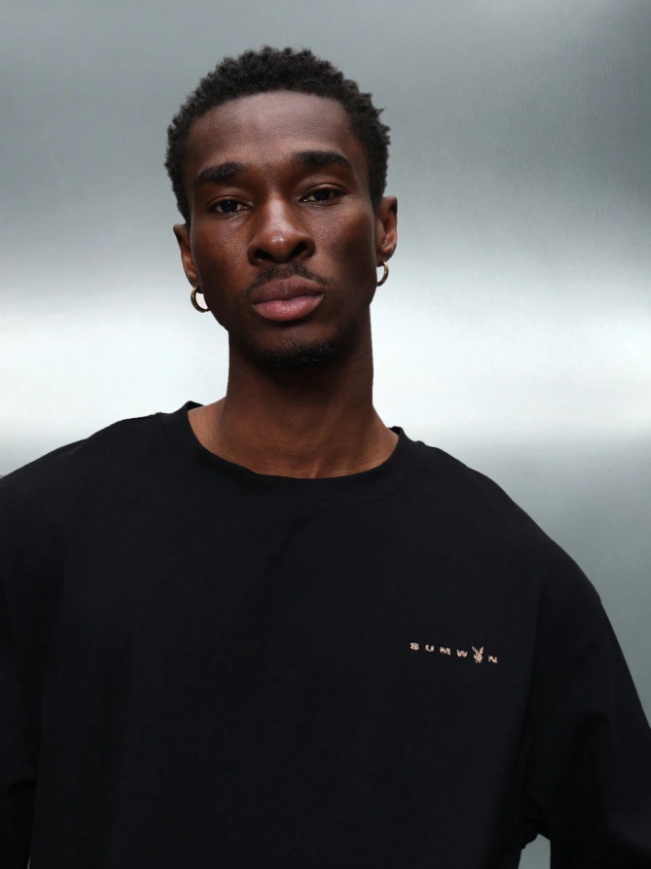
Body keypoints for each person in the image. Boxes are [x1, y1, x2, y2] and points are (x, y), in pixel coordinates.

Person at [1, 46, 650, 869]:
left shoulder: (511, 574)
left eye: (318, 192)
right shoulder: (42, 532)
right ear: (189, 253)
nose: (277, 235)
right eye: (229, 204)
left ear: (383, 227)